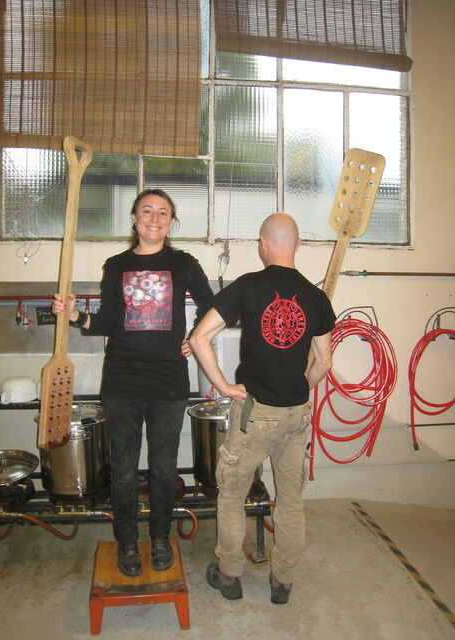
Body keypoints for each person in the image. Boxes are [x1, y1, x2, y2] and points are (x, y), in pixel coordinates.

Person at [53, 188, 213, 577]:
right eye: (147, 211)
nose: (154, 218)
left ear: (171, 222)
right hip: (122, 378)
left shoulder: (184, 264)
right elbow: (106, 322)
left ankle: (159, 538)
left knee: (163, 467)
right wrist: (75, 316)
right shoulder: (116, 266)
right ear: (134, 218)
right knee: (123, 469)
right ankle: (126, 541)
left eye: (163, 212)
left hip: (168, 380)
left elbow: (212, 306)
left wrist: (196, 337)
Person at [189, 213, 335, 604]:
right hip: (296, 414)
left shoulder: (247, 286)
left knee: (231, 496)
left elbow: (199, 338)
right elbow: (324, 363)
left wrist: (223, 386)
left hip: (254, 413)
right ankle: (282, 583)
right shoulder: (316, 297)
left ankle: (229, 576)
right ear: (298, 245)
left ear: (263, 243)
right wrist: (298, 388)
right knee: (290, 501)